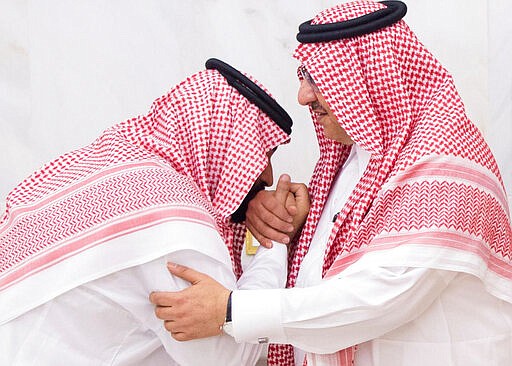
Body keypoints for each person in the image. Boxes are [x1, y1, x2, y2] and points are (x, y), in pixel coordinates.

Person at [149, 2, 512, 366]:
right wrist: (288, 225)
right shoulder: (356, 160)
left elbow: (375, 297)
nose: (303, 96)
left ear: (369, 74)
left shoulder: (444, 164)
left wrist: (231, 310)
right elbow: (328, 269)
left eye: (316, 78)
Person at [0, 58, 296, 365]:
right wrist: (275, 240)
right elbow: (228, 355)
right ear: (227, 144)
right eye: (264, 152)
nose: (269, 177)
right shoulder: (173, 218)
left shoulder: (95, 171)